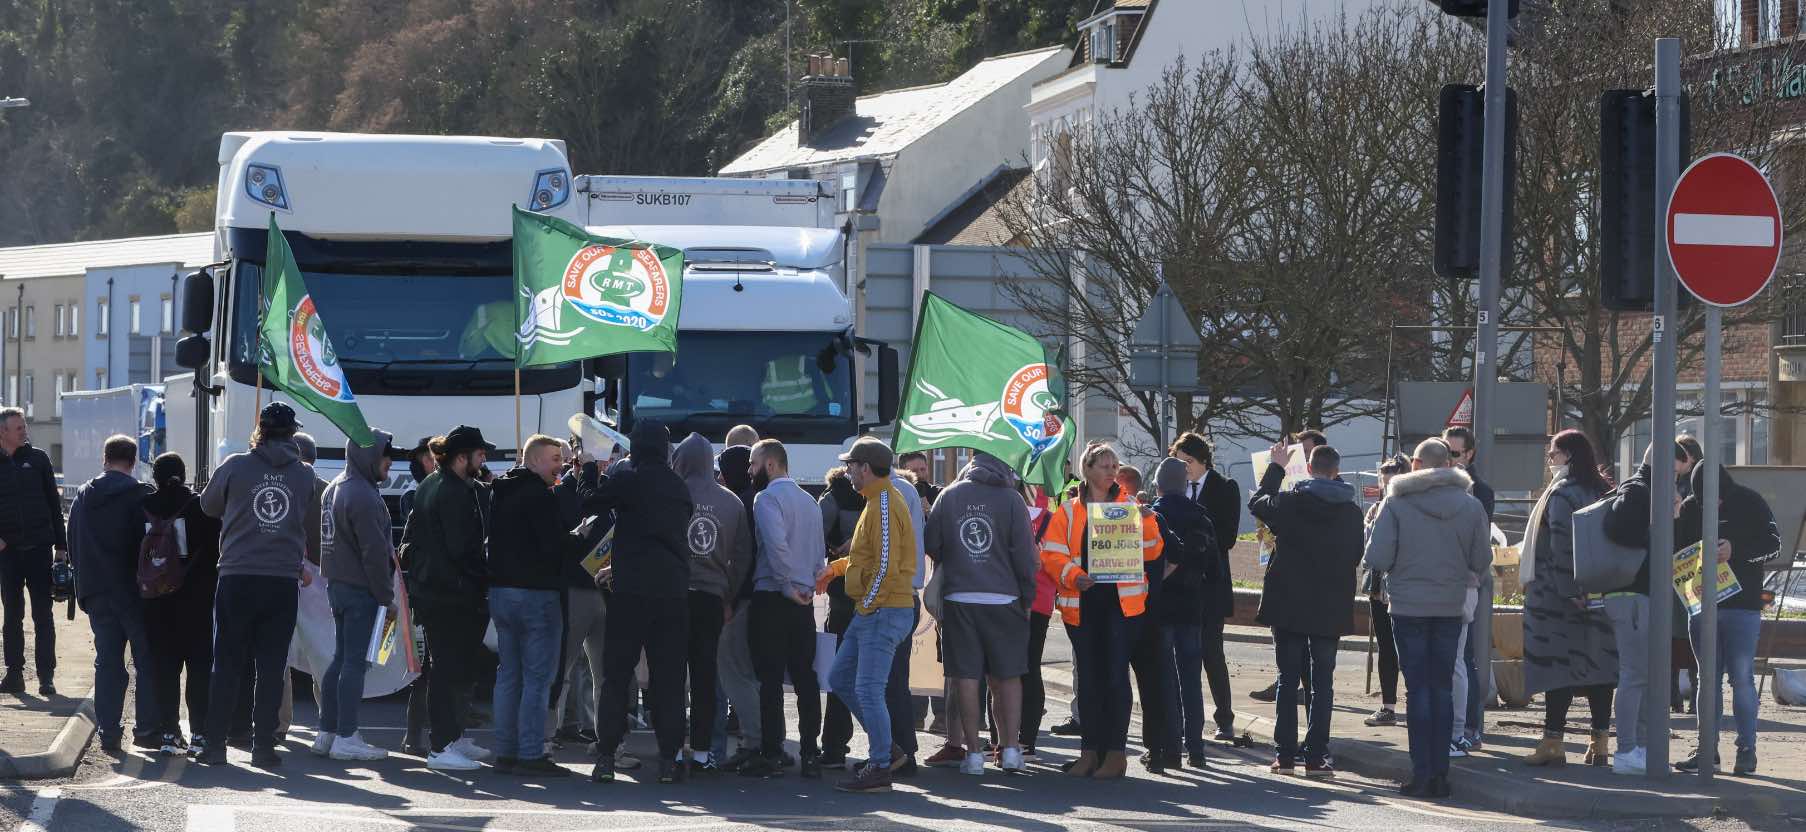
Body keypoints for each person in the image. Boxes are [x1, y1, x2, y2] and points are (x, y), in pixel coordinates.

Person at [1363, 438, 1491, 798]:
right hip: (1450, 606)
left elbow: (1379, 558)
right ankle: (1441, 774)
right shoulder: (1470, 506)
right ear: (1448, 465)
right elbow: (1482, 560)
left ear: (1416, 465)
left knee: (1418, 690)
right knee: (1443, 687)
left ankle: (1421, 773)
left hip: (1408, 607)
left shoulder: (1396, 502)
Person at [195, 403, 314, 768]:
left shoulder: (234, 465)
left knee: (227, 663)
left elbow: (208, 506)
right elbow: (305, 512)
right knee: (272, 666)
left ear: (259, 431)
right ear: (292, 434)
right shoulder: (305, 475)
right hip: (281, 579)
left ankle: (215, 745)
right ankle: (263, 746)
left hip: (238, 575)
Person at [1041, 442, 1164, 779]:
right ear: (1088, 469)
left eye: (1114, 465)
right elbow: (1051, 554)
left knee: (1114, 678)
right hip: (1082, 605)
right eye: (1105, 465)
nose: (1112, 470)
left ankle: (1116, 754)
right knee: (1090, 682)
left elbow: (1152, 553)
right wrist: (1074, 577)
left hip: (1122, 607)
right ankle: (1088, 753)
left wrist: (1150, 523)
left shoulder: (1130, 506)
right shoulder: (1067, 512)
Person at [584, 421, 695, 784]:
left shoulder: (629, 480)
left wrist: (588, 469)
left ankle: (605, 757)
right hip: (673, 591)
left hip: (631, 592)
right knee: (668, 678)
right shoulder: (678, 487)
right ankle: (668, 758)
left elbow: (590, 502)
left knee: (616, 676)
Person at [809, 438, 920, 793]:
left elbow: (885, 566)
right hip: (874, 609)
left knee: (868, 690)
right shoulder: (876, 502)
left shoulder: (884, 504)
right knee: (841, 678)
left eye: (852, 465)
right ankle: (887, 752)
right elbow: (866, 558)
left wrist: (868, 604)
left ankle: (880, 765)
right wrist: (834, 570)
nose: (847, 471)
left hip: (882, 610)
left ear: (866, 469)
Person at [919, 451, 1037, 778]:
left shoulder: (949, 496)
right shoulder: (1012, 500)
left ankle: (973, 754)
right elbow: (1026, 557)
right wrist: (1026, 596)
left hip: (960, 597)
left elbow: (932, 542)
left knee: (966, 677)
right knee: (1008, 676)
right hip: (1005, 598)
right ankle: (1010, 749)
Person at [1250, 441, 1364, 777]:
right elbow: (1355, 555)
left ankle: (1284, 756)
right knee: (1323, 683)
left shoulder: (1289, 502)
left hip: (1288, 602)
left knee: (1287, 679)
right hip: (1329, 605)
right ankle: (1316, 757)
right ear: (1337, 471)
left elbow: (1257, 503)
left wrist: (1277, 467)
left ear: (1310, 469)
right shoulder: (1352, 513)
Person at [485, 434, 586, 777]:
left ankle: (506, 752)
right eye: (556, 459)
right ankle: (530, 753)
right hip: (536, 595)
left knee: (508, 675)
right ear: (535, 460)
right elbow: (552, 546)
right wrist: (578, 537)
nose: (561, 465)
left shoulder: (500, 491)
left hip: (502, 593)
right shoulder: (540, 497)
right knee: (537, 678)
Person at [1674, 462, 1780, 774]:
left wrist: (1736, 549)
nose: (1713, 504)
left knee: (1741, 678)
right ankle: (1708, 749)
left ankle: (1746, 749)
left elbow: (1774, 545)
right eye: (1706, 500)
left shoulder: (1749, 501)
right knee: (1706, 679)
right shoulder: (1691, 508)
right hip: (1703, 604)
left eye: (1717, 498)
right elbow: (1675, 550)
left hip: (1742, 605)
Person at [401, 424, 496, 772]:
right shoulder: (453, 492)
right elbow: (462, 549)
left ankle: (453, 737)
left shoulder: (435, 484)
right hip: (449, 593)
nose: (485, 458)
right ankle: (441, 747)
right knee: (446, 670)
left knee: (453, 668)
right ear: (462, 457)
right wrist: (486, 576)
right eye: (480, 453)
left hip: (438, 590)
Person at [1520, 429, 1617, 769]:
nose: (1549, 460)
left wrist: (1569, 590)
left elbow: (1562, 543)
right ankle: (1599, 743)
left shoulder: (1562, 493)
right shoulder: (1603, 489)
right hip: (1601, 588)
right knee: (1600, 667)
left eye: (1553, 454)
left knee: (1556, 668)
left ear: (1568, 456)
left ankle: (1552, 742)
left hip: (1558, 595)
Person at [736, 438, 825, 779]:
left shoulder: (766, 498)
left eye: (753, 464)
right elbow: (819, 555)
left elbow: (775, 547)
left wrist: (787, 586)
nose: (750, 471)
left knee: (769, 679)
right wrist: (807, 587)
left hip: (774, 596)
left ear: (770, 465)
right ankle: (809, 752)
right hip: (803, 599)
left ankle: (773, 752)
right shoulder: (810, 501)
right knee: (805, 677)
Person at [67, 434, 158, 753]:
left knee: (107, 661)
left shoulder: (82, 495)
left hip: (95, 590)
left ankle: (108, 731)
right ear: (133, 462)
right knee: (145, 660)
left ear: (104, 459)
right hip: (133, 591)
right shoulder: (141, 495)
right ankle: (146, 728)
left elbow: (71, 540)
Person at [313, 429, 398, 763]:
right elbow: (375, 554)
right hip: (362, 589)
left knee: (340, 659)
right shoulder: (363, 496)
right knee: (354, 663)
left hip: (338, 585)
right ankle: (347, 736)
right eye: (385, 456)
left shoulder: (335, 487)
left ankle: (327, 732)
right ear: (370, 457)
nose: (389, 462)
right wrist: (385, 595)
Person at [672, 432, 751, 773]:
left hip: (673, 597)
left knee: (671, 677)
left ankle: (673, 750)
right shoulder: (731, 502)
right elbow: (742, 556)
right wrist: (728, 594)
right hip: (712, 599)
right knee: (706, 677)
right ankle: (704, 752)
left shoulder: (671, 494)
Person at [142, 453, 221, 755]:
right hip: (196, 599)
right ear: (184, 473)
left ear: (155, 478)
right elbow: (216, 552)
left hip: (156, 600)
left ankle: (169, 734)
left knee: (165, 668)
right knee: (199, 668)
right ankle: (199, 732)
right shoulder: (202, 507)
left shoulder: (143, 507)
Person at [1599, 442, 1666, 776]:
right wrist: (1656, 530)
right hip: (1632, 594)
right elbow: (1620, 528)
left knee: (1642, 675)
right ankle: (1627, 750)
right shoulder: (1640, 490)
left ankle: (1637, 747)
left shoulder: (1643, 489)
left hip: (1633, 593)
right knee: (1635, 674)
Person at [1170, 432, 1240, 743]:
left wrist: (1196, 534)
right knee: (1182, 654)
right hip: (1180, 583)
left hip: (1211, 582)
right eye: (1180, 463)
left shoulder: (1224, 488)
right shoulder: (1174, 489)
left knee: (1212, 652)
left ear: (1203, 462)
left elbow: (1227, 537)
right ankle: (1185, 720)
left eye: (1189, 462)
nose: (1184, 469)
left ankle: (1224, 719)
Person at [1150, 456, 1219, 769]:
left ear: (1158, 485)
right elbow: (1215, 570)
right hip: (1192, 605)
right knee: (1192, 677)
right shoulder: (1202, 518)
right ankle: (1197, 748)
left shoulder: (1152, 516)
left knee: (1164, 678)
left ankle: (1170, 747)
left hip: (1160, 605)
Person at [1250, 429, 1327, 704]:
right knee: (1290, 655)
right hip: (1291, 584)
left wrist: (1275, 469)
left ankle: (1301, 698)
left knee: (1309, 661)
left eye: (1305, 453)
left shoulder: (1326, 493)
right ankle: (1292, 686)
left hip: (1312, 589)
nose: (1301, 460)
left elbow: (1258, 504)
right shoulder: (1292, 491)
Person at [0, 406, 65, 696]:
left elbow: (54, 504)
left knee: (44, 614)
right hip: (8, 553)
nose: (24, 431)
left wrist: (61, 547)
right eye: (18, 428)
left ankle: (46, 676)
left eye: (24, 426)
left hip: (40, 549)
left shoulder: (38, 460)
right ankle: (14, 674)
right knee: (12, 615)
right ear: (2, 432)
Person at [713, 442, 768, 771]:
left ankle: (753, 742)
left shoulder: (739, 504)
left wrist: (728, 601)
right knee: (752, 673)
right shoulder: (757, 500)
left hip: (741, 599)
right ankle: (765, 738)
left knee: (734, 671)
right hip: (761, 596)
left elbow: (740, 559)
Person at [550, 445, 608, 754]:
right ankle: (550, 733)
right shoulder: (562, 493)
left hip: (605, 591)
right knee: (563, 667)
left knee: (603, 673)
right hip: (575, 589)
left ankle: (605, 738)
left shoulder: (609, 487)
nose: (601, 466)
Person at [1440, 426, 1494, 754]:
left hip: (1463, 585)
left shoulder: (1479, 491)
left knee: (1465, 657)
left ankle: (1469, 726)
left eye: (1455, 454)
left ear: (1469, 455)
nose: (1450, 459)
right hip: (1438, 585)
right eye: (1445, 452)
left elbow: (1479, 545)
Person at [817, 466, 864, 766]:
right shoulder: (883, 497)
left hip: (842, 593)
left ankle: (834, 746)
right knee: (877, 677)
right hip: (875, 594)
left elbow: (815, 539)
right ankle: (890, 749)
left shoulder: (831, 499)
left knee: (839, 673)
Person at [1361, 455, 1410, 728]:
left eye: (1392, 483)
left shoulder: (1410, 510)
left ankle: (1414, 701)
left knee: (1408, 648)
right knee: (1385, 648)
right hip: (1378, 589)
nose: (1387, 488)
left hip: (1402, 588)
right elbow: (1368, 552)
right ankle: (1388, 705)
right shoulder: (1376, 509)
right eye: (1384, 483)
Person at [1671, 433, 1705, 712]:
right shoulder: (1702, 484)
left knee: (1680, 631)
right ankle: (1690, 696)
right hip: (1692, 564)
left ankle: (1681, 695)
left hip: (1683, 564)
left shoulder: (1687, 486)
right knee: (1686, 631)